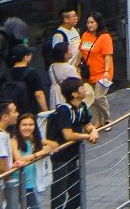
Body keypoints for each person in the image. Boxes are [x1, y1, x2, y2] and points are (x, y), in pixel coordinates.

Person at [42, 78, 96, 209]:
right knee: (58, 195)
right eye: (82, 87)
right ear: (74, 94)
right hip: (60, 158)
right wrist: (87, 135)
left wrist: (93, 131)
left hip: (72, 157)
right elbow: (68, 135)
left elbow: (88, 124)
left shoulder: (82, 106)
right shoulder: (64, 111)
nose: (85, 88)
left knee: (77, 193)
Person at [77, 14, 114, 123]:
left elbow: (108, 55)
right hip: (88, 72)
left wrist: (106, 71)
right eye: (88, 22)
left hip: (103, 73)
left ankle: (107, 118)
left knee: (99, 97)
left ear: (98, 23)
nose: (90, 25)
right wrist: (76, 66)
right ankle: (97, 121)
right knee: (91, 98)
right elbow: (81, 52)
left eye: (92, 22)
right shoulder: (85, 35)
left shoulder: (105, 37)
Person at [14, 111, 49, 209]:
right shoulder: (14, 140)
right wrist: (39, 153)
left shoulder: (31, 138)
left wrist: (51, 146)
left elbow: (51, 144)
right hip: (19, 182)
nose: (27, 127)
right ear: (18, 126)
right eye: (24, 125)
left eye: (31, 124)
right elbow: (19, 158)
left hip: (29, 182)